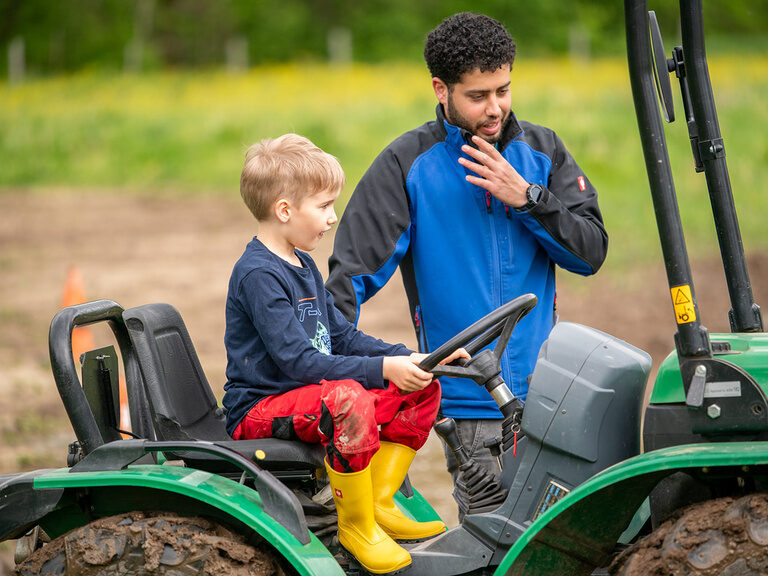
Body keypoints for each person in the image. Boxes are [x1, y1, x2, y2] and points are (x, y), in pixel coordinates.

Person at [326, 12, 608, 519]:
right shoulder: (406, 164)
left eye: (503, 90)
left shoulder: (542, 153)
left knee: (571, 532)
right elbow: (349, 279)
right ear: (442, 89)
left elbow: (591, 253)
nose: (495, 107)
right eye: (478, 96)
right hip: (468, 404)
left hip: (551, 394)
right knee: (495, 541)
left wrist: (528, 198)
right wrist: (319, 366)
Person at [222, 134, 468, 574]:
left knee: (421, 387)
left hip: (305, 396)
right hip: (261, 406)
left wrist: (411, 358)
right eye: (324, 206)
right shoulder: (258, 274)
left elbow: (341, 336)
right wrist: (381, 368)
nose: (333, 217)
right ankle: (355, 526)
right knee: (347, 398)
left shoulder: (302, 264)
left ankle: (379, 500)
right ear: (285, 210)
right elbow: (299, 362)